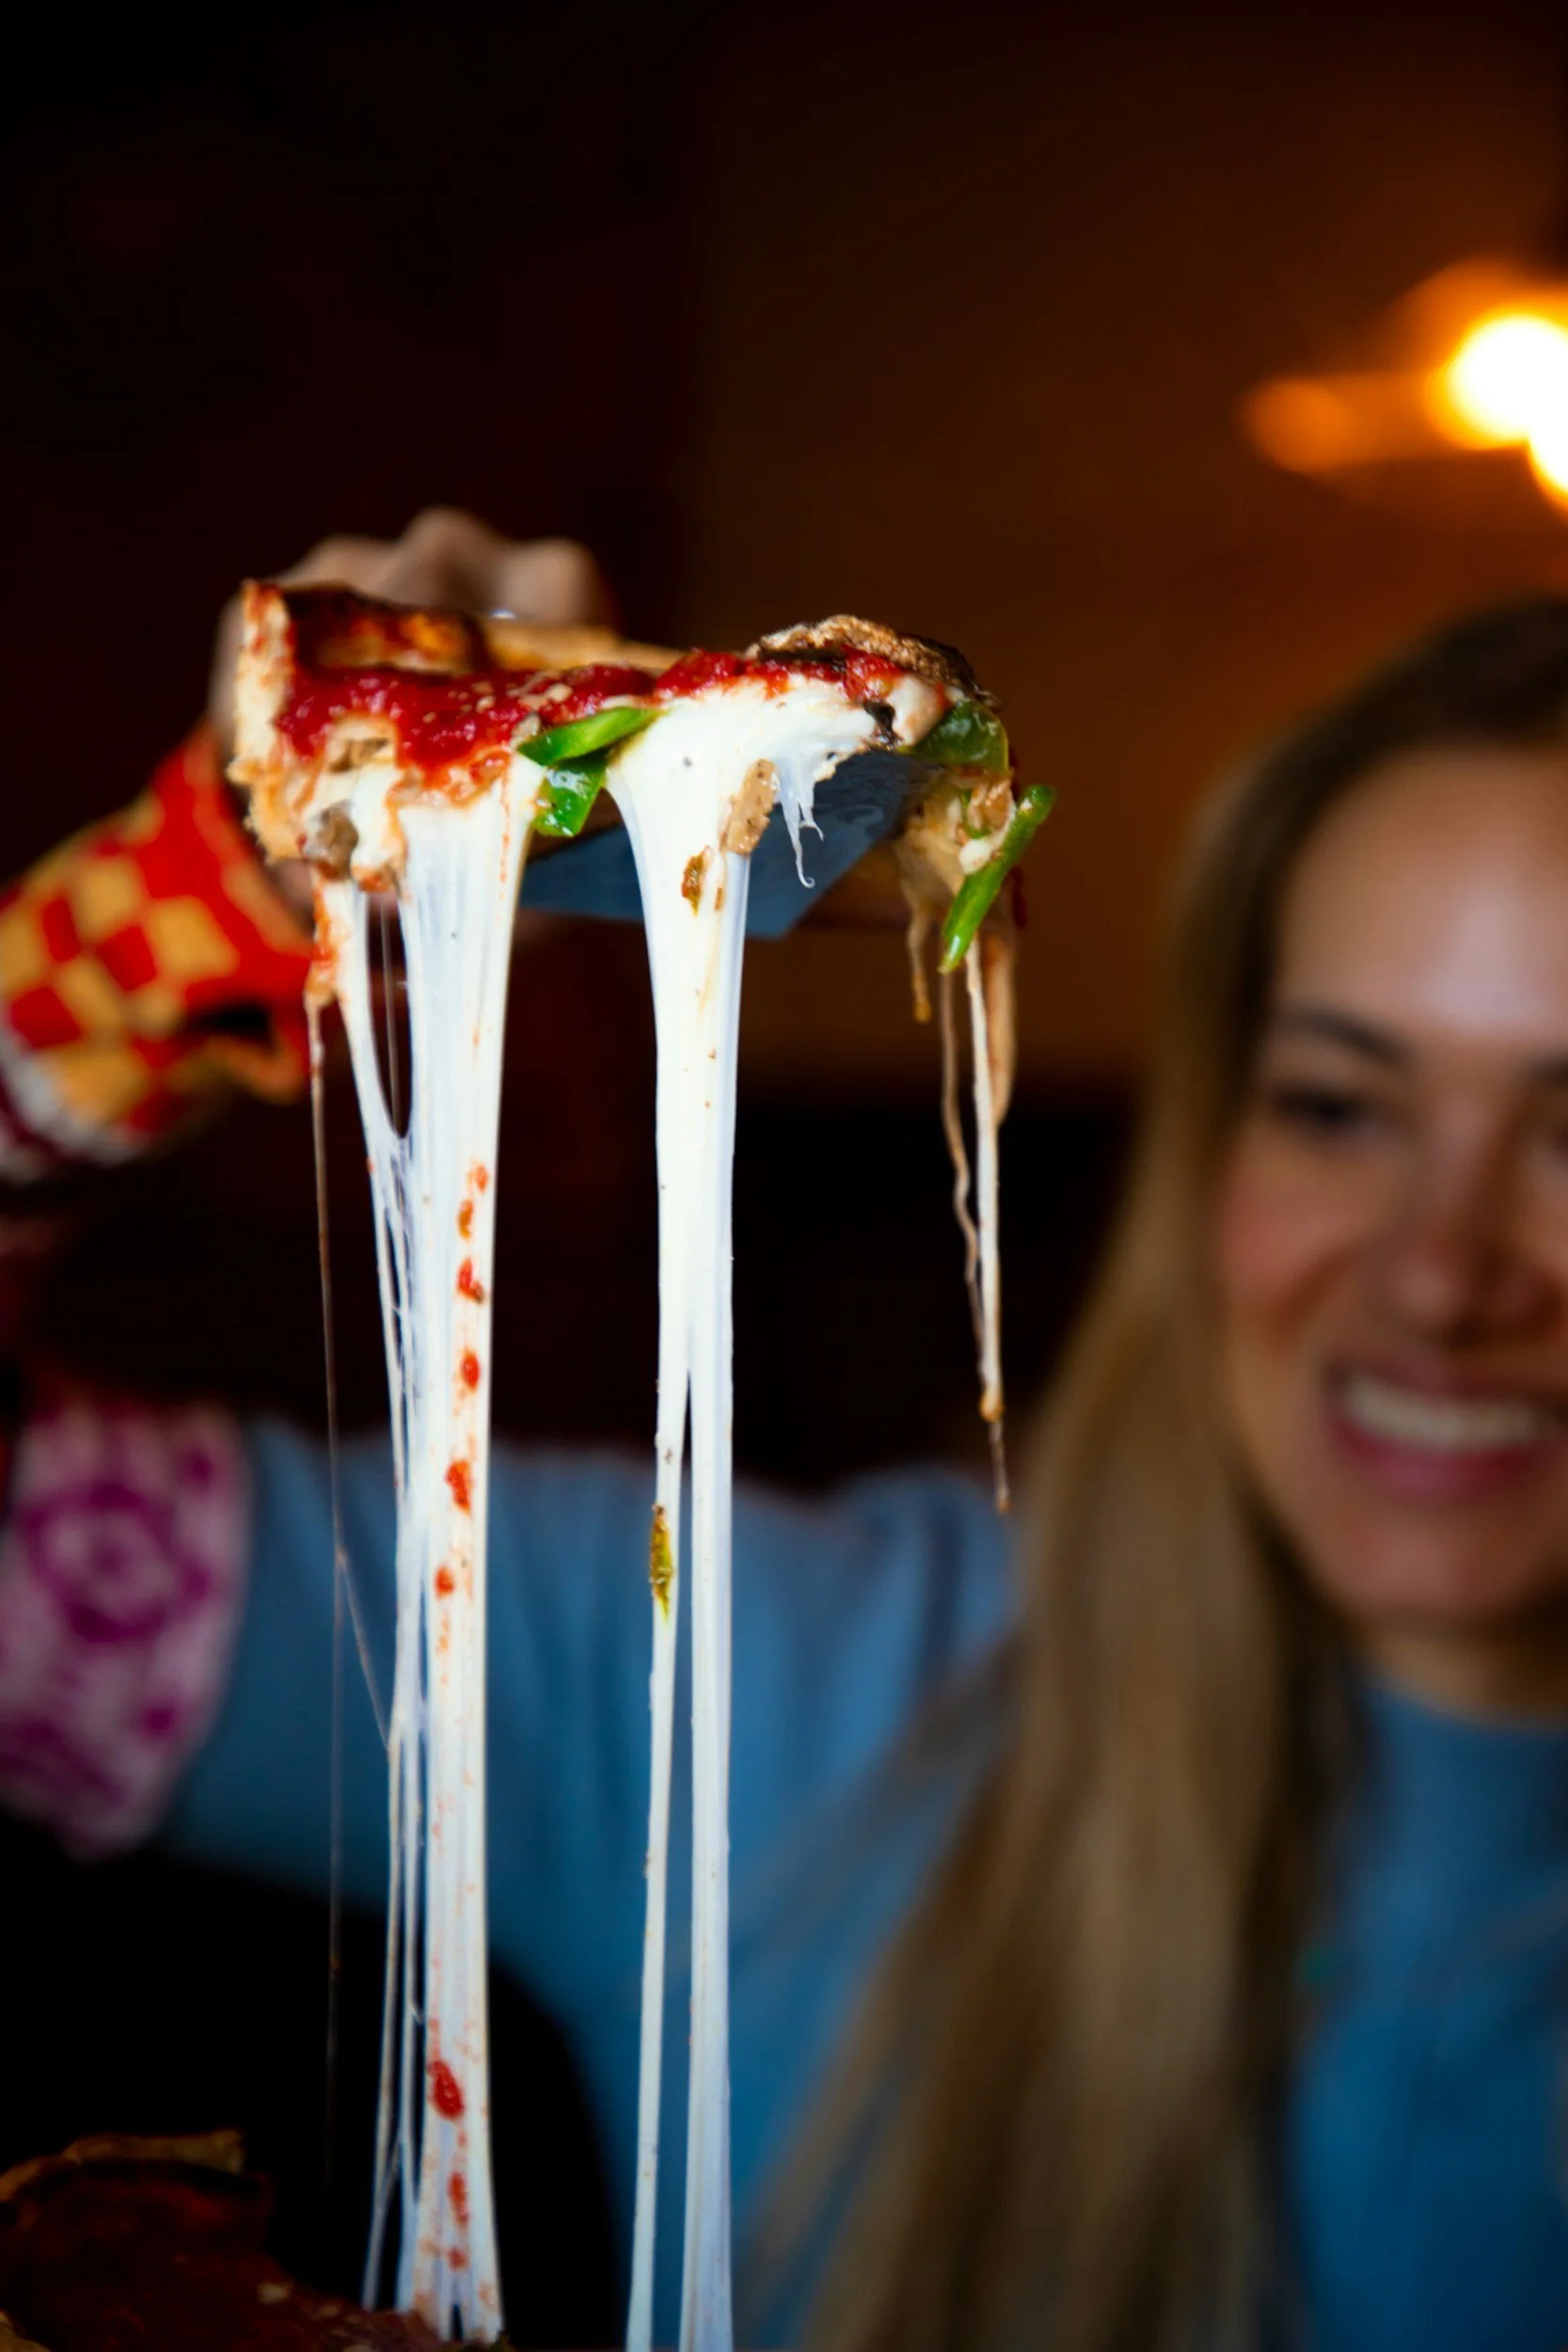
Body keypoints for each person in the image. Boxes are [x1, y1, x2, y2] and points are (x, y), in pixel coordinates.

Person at [0, 515, 1566, 2352]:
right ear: (1206, 1152)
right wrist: (221, 891)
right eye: (1335, 1101)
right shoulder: (742, 1679)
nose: (1442, 1269)